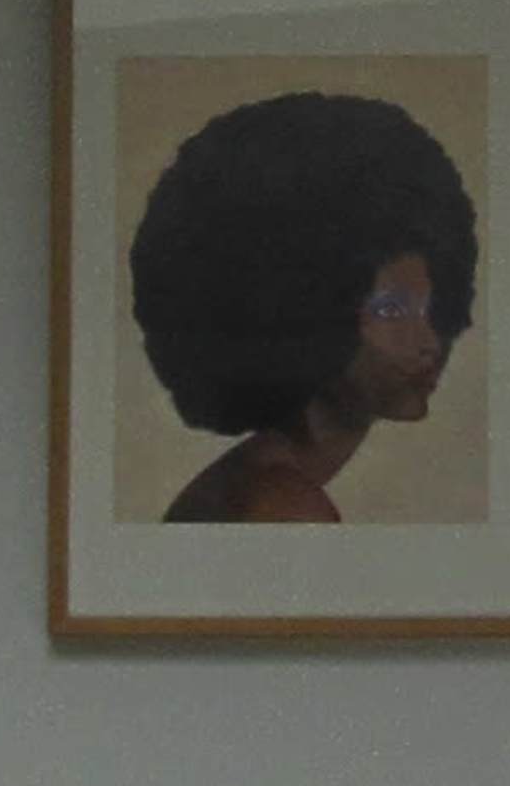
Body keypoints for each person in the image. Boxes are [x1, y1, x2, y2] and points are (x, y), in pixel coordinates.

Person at [128, 89, 478, 527]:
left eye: (433, 306)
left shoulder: (253, 478)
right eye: (391, 310)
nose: (430, 341)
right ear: (300, 316)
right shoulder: (282, 507)